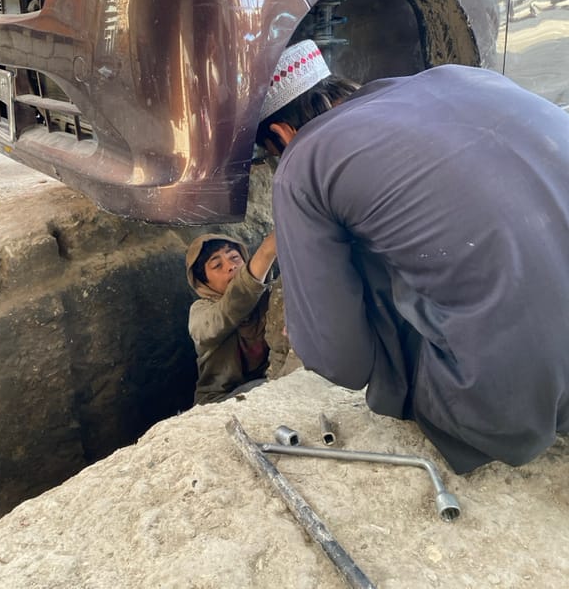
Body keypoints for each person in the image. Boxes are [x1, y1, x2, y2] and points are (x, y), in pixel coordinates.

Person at [256, 38, 569, 474]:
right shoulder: (459, 77)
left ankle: (482, 406)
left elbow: (339, 362)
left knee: (360, 259)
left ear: (280, 133)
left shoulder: (302, 161)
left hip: (516, 399)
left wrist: (312, 326)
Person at [185, 231, 277, 404]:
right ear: (204, 283)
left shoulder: (269, 298)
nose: (230, 266)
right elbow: (228, 310)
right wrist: (266, 252)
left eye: (234, 258)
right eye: (217, 265)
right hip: (218, 403)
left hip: (267, 388)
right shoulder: (201, 313)